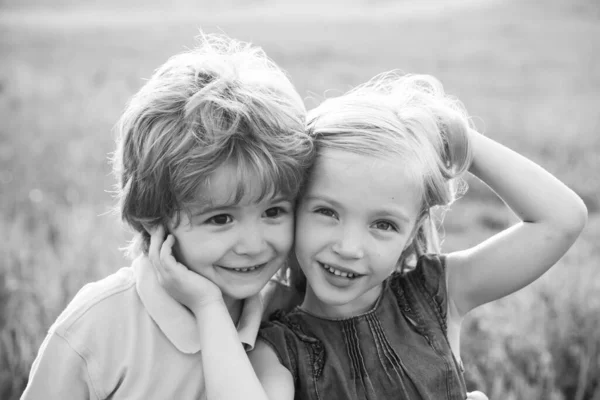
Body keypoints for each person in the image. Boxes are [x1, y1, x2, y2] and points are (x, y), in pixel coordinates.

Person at [245, 72, 588, 399]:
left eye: (383, 225)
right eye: (327, 212)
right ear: (294, 207)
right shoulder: (276, 352)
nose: (349, 248)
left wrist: (462, 140)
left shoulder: (435, 295)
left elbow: (562, 220)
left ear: (412, 232)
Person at [20, 32, 314, 400]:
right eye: (221, 219)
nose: (254, 245)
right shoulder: (97, 328)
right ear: (153, 216)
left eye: (273, 211)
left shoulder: (284, 314)